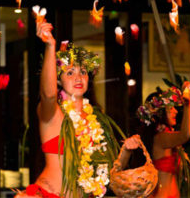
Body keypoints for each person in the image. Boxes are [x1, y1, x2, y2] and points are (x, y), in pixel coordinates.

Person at [15, 17, 127, 198]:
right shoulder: (53, 113)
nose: (78, 78)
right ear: (58, 80)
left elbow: (111, 171)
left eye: (83, 72)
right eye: (70, 72)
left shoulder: (96, 122)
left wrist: (126, 151)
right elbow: (48, 95)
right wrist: (51, 46)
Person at [131, 82, 190, 198]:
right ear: (160, 113)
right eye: (171, 108)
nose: (175, 111)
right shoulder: (161, 138)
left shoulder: (166, 137)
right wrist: (188, 103)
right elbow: (187, 134)